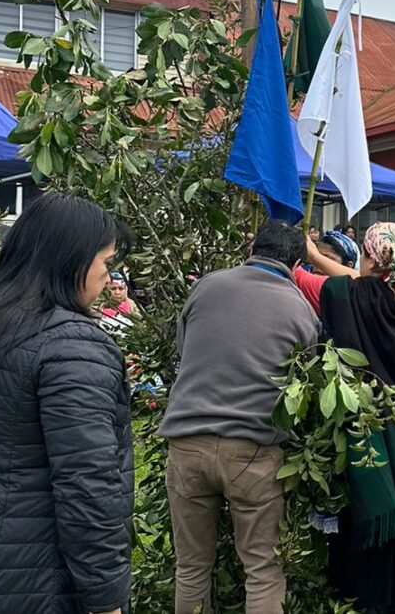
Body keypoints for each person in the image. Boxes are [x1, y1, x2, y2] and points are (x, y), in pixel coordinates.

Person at [0, 192, 133, 614]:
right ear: (72, 262)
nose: (107, 278)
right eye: (106, 263)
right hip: (38, 579)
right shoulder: (72, 347)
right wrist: (106, 599)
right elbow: (87, 484)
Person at [159, 220, 319, 614]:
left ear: (251, 248)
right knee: (263, 569)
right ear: (297, 263)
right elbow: (304, 385)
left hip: (187, 442)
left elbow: (185, 348)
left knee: (192, 567)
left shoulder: (207, 286)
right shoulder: (299, 307)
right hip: (253, 450)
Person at [295, 223, 395, 613]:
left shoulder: (351, 298)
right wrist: (317, 256)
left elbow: (315, 284)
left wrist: (303, 259)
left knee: (367, 576)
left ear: (371, 259)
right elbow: (364, 280)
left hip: (371, 461)